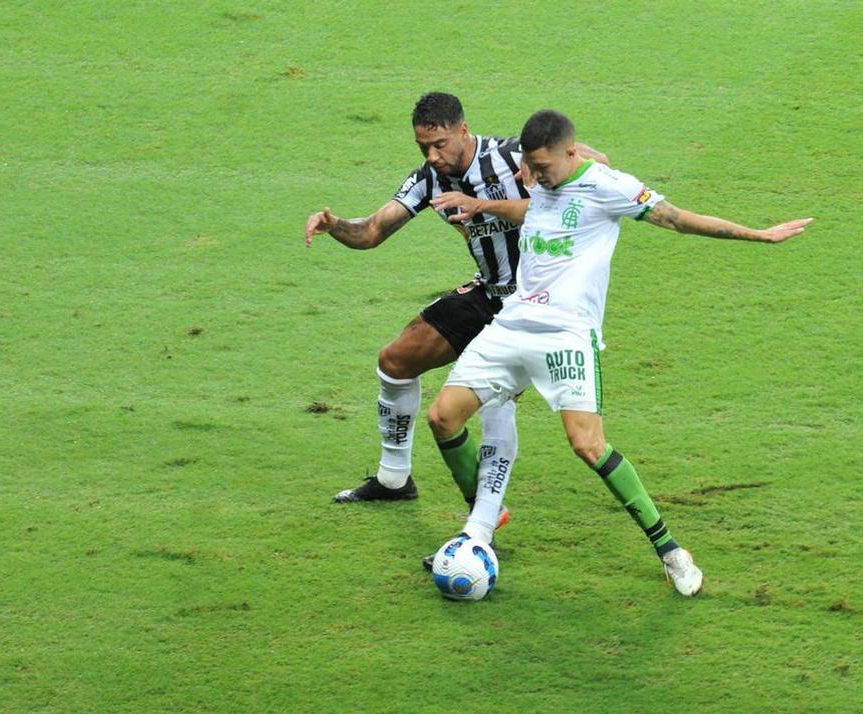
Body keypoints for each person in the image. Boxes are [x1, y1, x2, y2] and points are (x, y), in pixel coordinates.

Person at [425, 109, 813, 595]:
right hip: (511, 325)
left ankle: (672, 551)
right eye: (531, 166)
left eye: (543, 168)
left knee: (588, 446)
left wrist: (758, 233)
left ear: (572, 152)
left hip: (566, 334)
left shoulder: (611, 187)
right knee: (442, 418)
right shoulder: (542, 179)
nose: (534, 177)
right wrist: (486, 206)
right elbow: (538, 210)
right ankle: (479, 530)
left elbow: (678, 220)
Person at [305, 92, 609, 550]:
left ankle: (483, 519)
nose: (433, 156)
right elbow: (371, 231)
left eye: (440, 144)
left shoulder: (512, 156)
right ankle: (394, 479)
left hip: (536, 303)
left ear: (464, 131)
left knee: (495, 401)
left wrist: (558, 175)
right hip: (487, 291)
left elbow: (593, 159)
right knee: (395, 361)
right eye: (423, 146)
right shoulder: (430, 177)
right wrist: (335, 226)